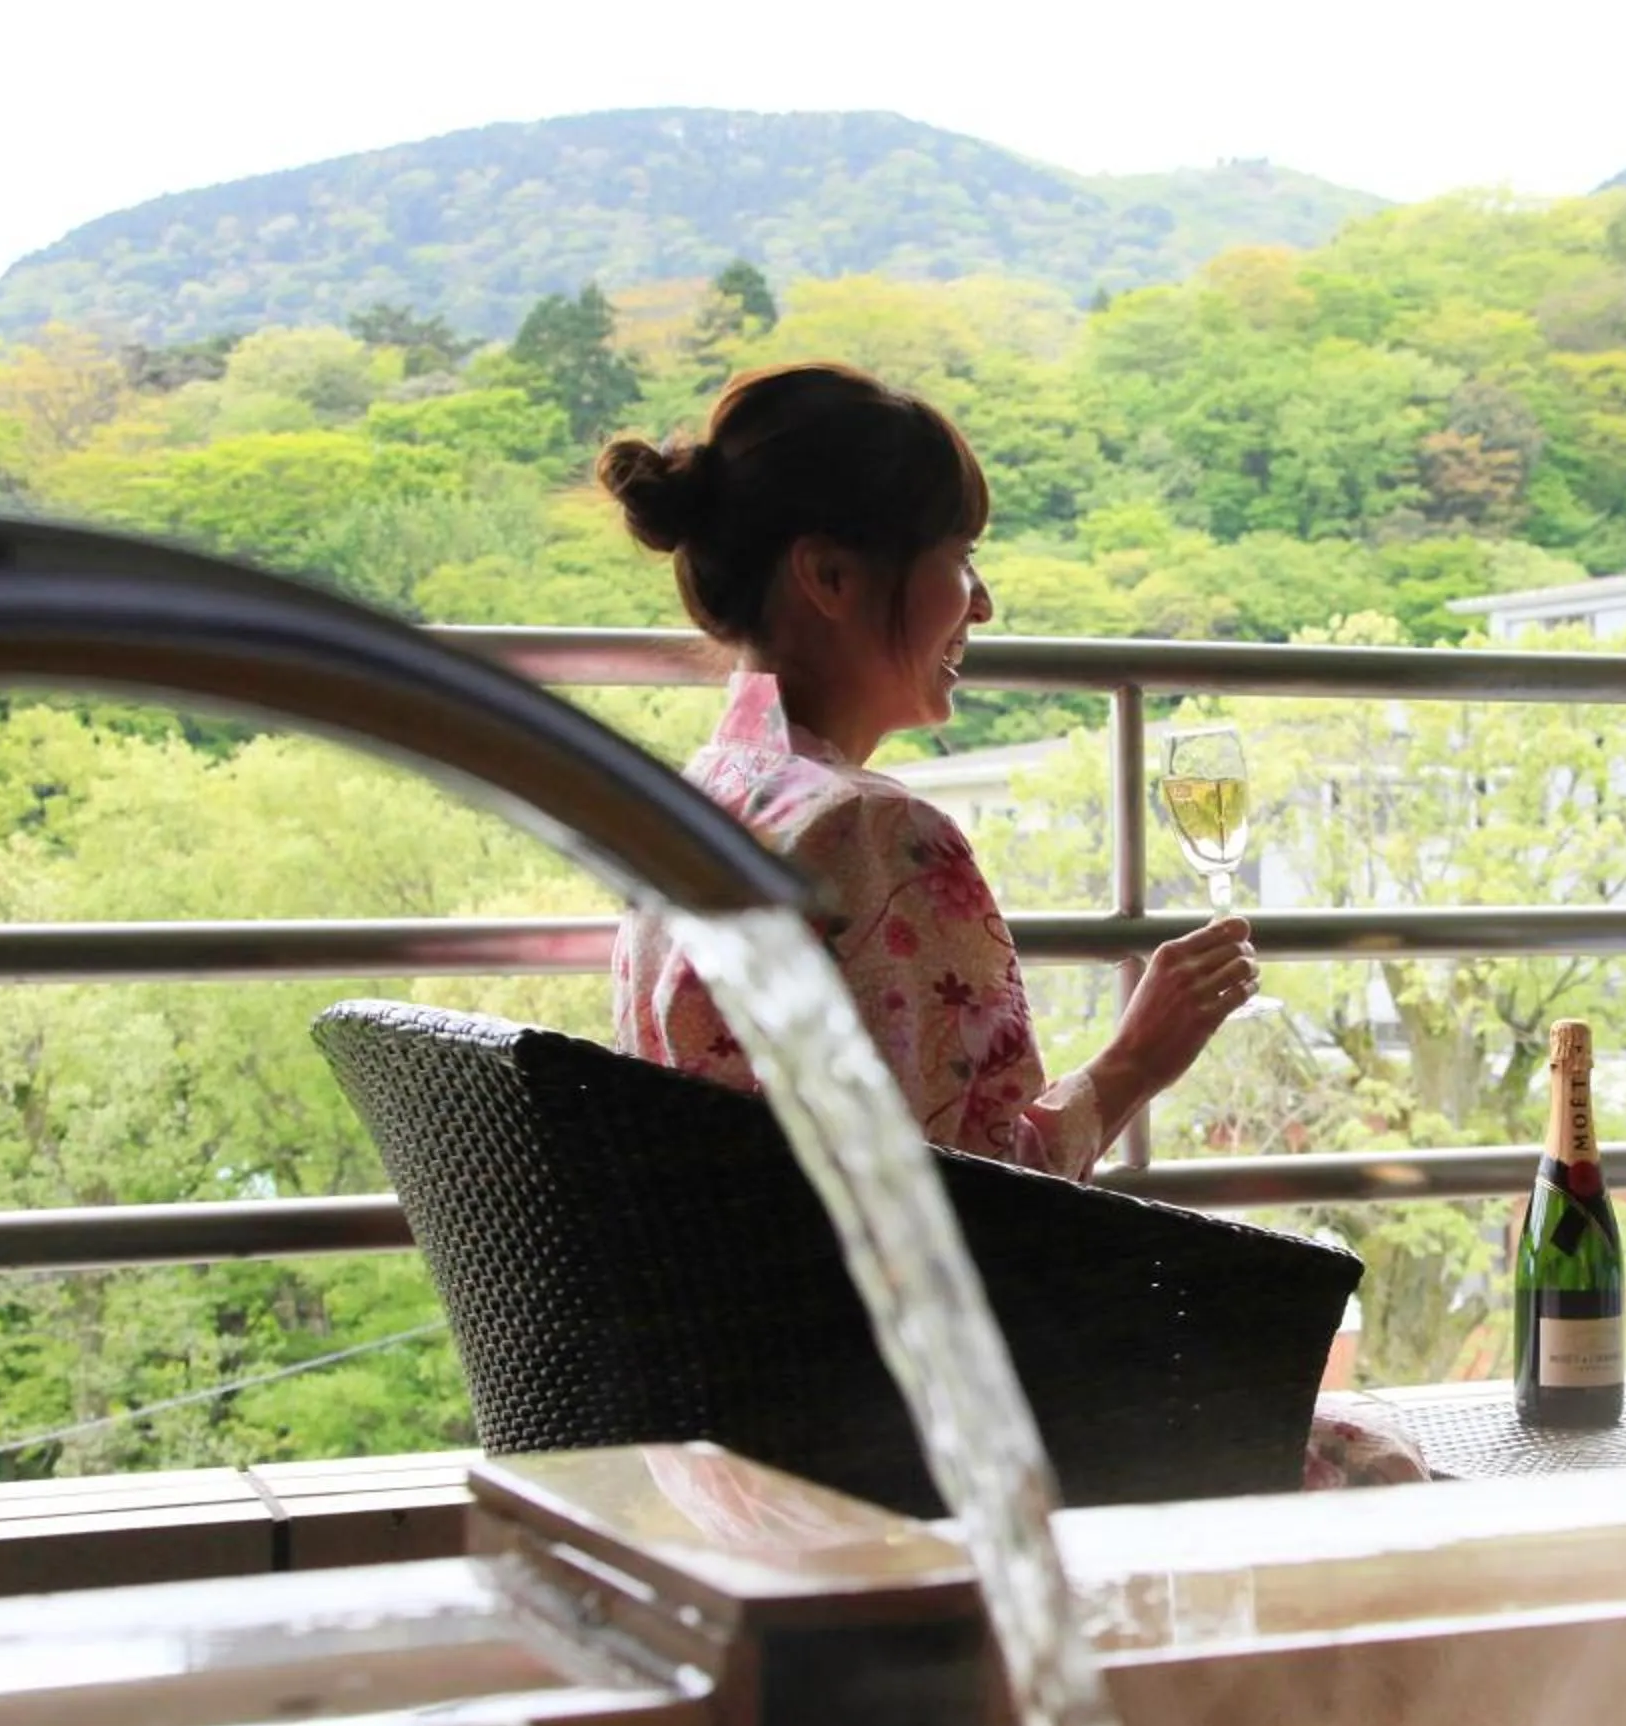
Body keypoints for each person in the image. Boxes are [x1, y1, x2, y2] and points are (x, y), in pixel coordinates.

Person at [601, 361, 1425, 1488]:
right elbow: (998, 1205)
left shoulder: (694, 801)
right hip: (893, 1442)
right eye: (959, 560)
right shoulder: (878, 836)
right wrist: (1139, 1058)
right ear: (830, 573)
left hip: (725, 1430)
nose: (981, 604)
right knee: (1380, 1470)